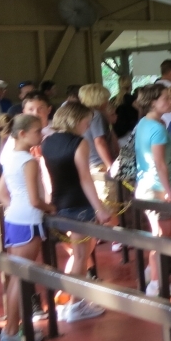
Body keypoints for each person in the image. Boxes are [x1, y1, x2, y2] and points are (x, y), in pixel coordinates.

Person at [42, 102, 114, 320]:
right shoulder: (78, 143)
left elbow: (47, 176)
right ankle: (76, 304)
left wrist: (48, 202)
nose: (88, 124)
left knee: (78, 253)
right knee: (81, 255)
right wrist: (100, 208)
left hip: (58, 203)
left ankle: (72, 298)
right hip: (79, 205)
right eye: (86, 120)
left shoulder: (47, 141)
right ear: (76, 120)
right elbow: (85, 179)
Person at [0, 115, 55, 341]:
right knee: (20, 280)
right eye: (36, 131)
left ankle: (12, 328)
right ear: (22, 134)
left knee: (15, 278)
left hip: (13, 219)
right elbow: (35, 199)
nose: (40, 135)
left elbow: (1, 193)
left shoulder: (8, 157)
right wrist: (51, 207)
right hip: (28, 221)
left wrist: (15, 206)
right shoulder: (29, 161)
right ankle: (11, 333)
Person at [134, 84, 171, 297]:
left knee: (164, 234)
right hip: (157, 189)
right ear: (153, 102)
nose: (169, 100)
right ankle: (157, 283)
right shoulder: (157, 128)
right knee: (162, 238)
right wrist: (169, 191)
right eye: (165, 98)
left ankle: (152, 273)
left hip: (146, 187)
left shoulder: (145, 123)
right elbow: (160, 163)